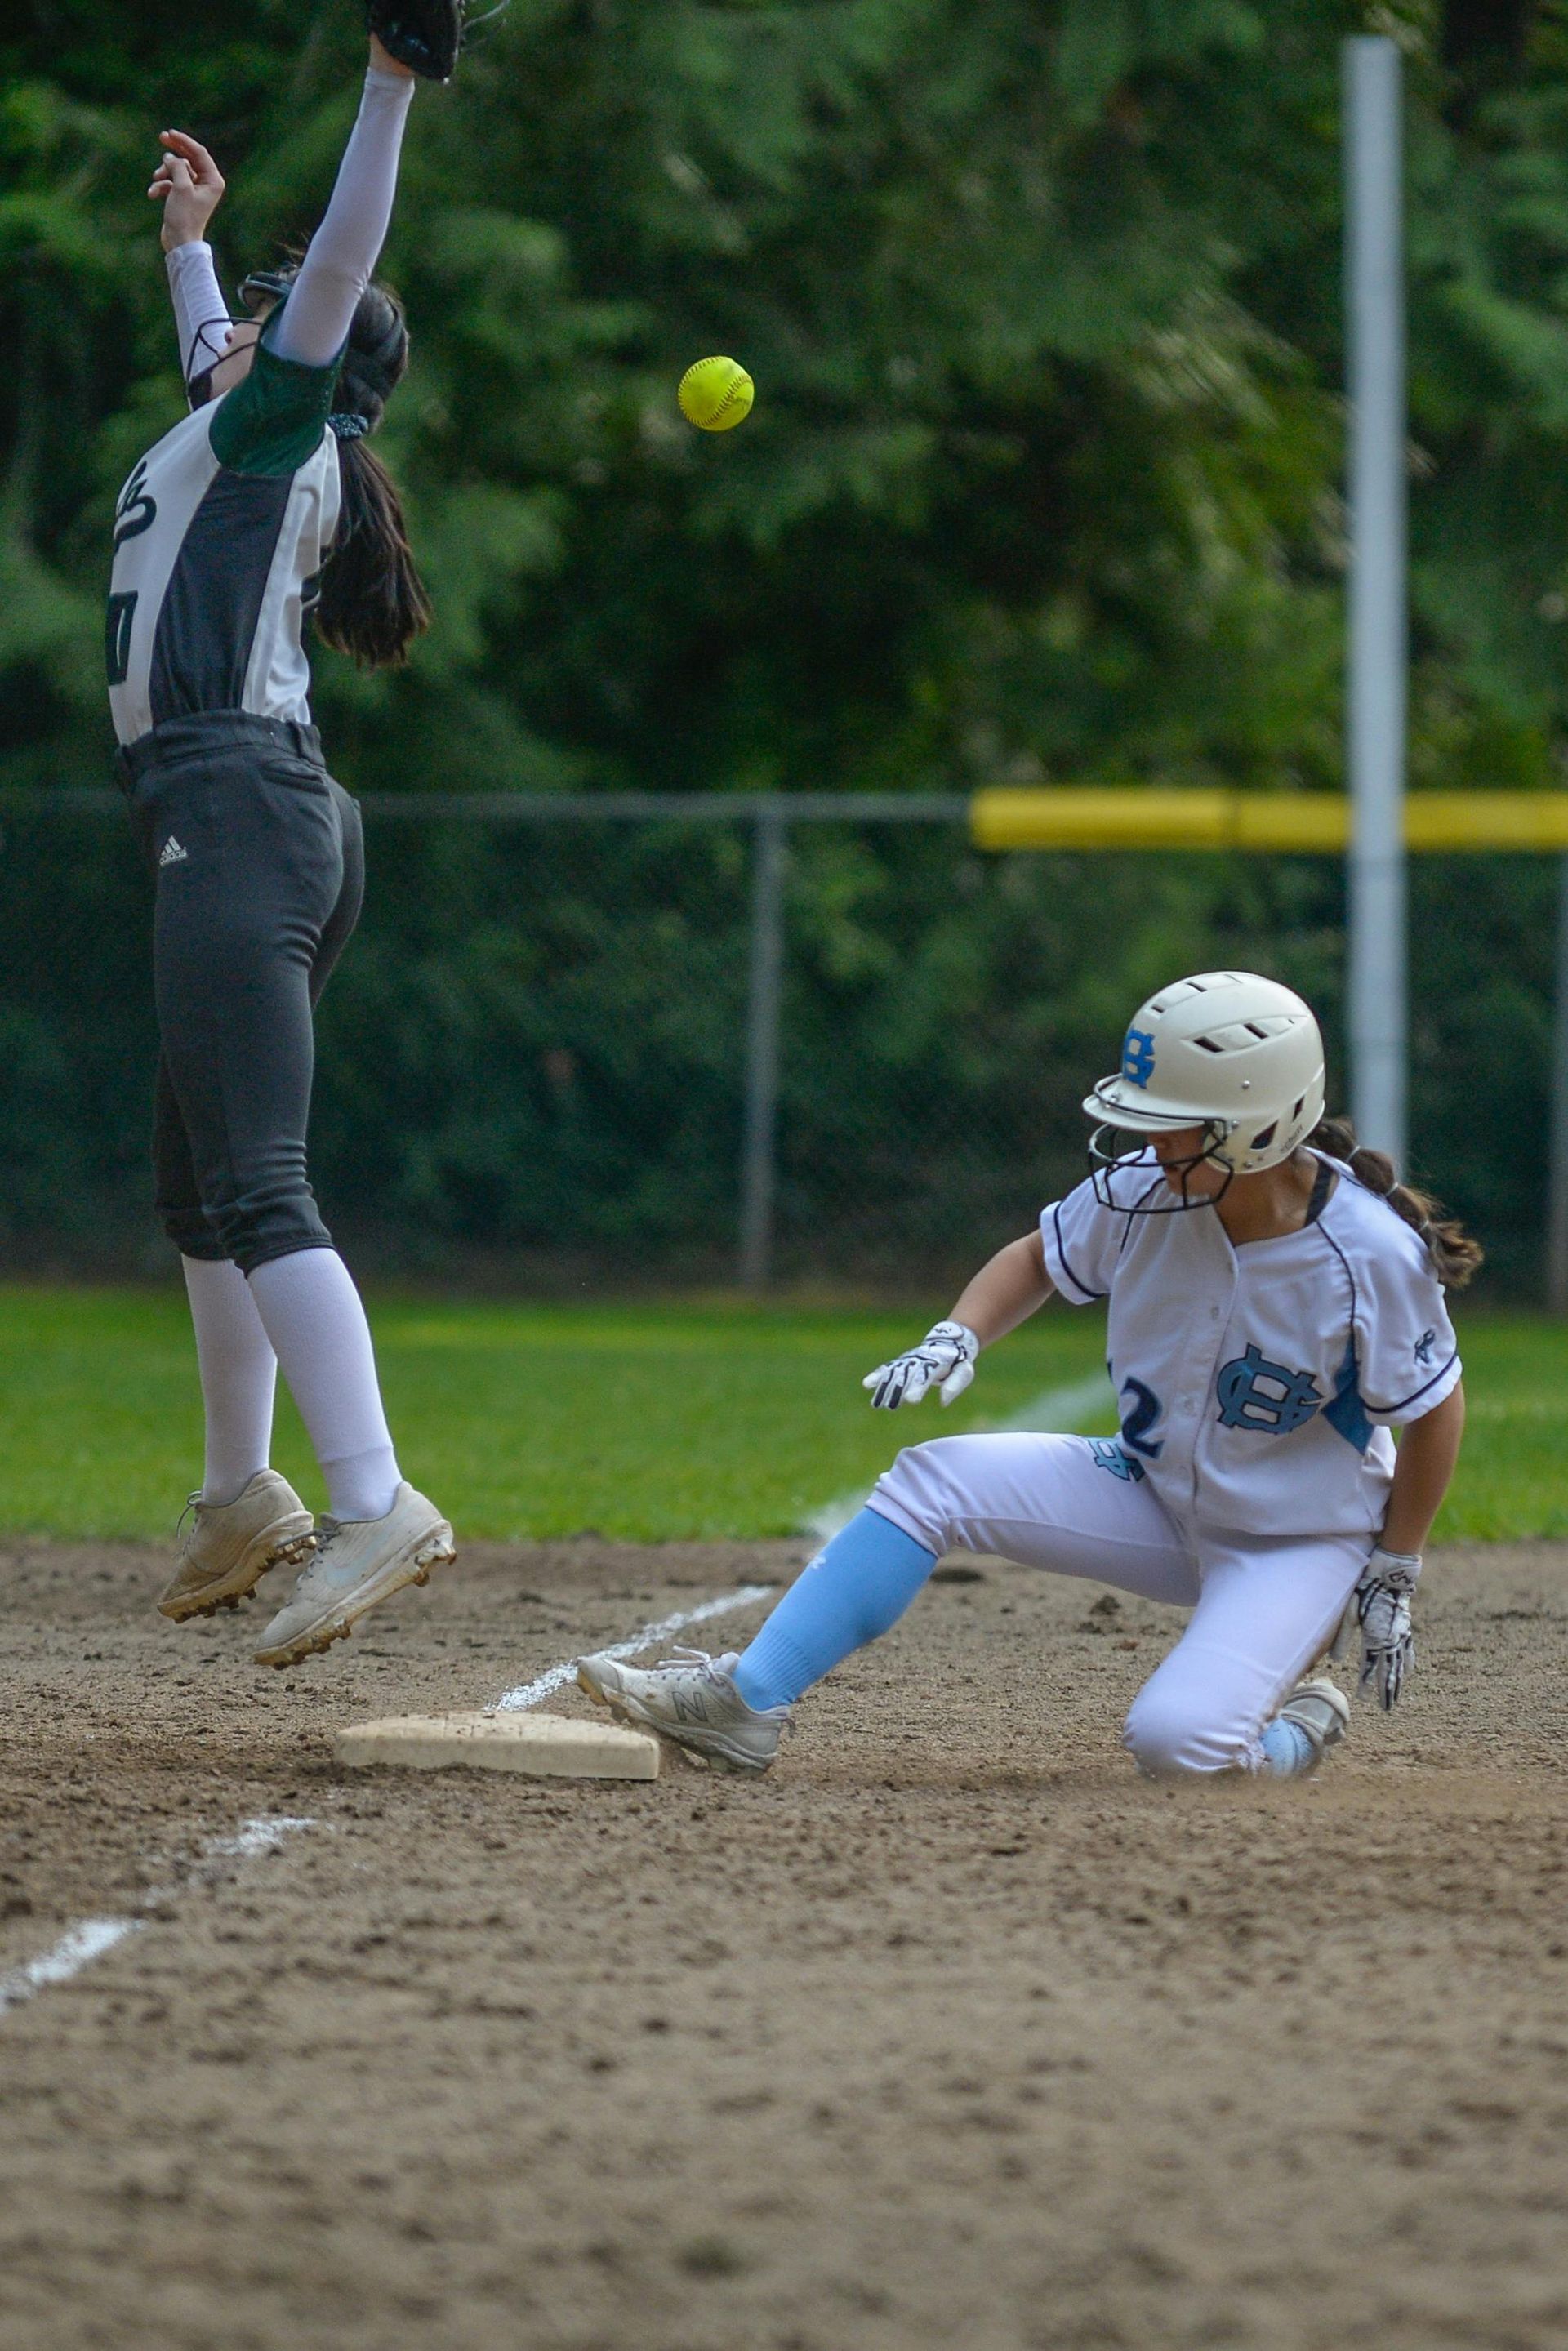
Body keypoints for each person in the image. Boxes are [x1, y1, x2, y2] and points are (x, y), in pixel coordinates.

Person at [579, 971, 1478, 1777]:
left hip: (1295, 1541)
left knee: (1177, 1746)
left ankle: (1295, 1735)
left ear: (1255, 1125)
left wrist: (1394, 1565)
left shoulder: (1368, 1252)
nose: (1148, 1141)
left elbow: (1436, 1413)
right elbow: (1037, 1257)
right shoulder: (1151, 1189)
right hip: (1157, 1494)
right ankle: (746, 1701)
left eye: (1174, 1125)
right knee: (933, 1479)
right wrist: (956, 1335)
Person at [108, 13, 461, 1668]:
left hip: (240, 805)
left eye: (267, 315)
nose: (245, 329)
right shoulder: (232, 423)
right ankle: (242, 1494)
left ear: (315, 360)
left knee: (258, 1179)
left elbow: (340, 253)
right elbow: (215, 356)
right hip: (232, 811)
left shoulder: (278, 431)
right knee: (197, 1187)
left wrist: (390, 83)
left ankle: (376, 1494)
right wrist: (186, 251)